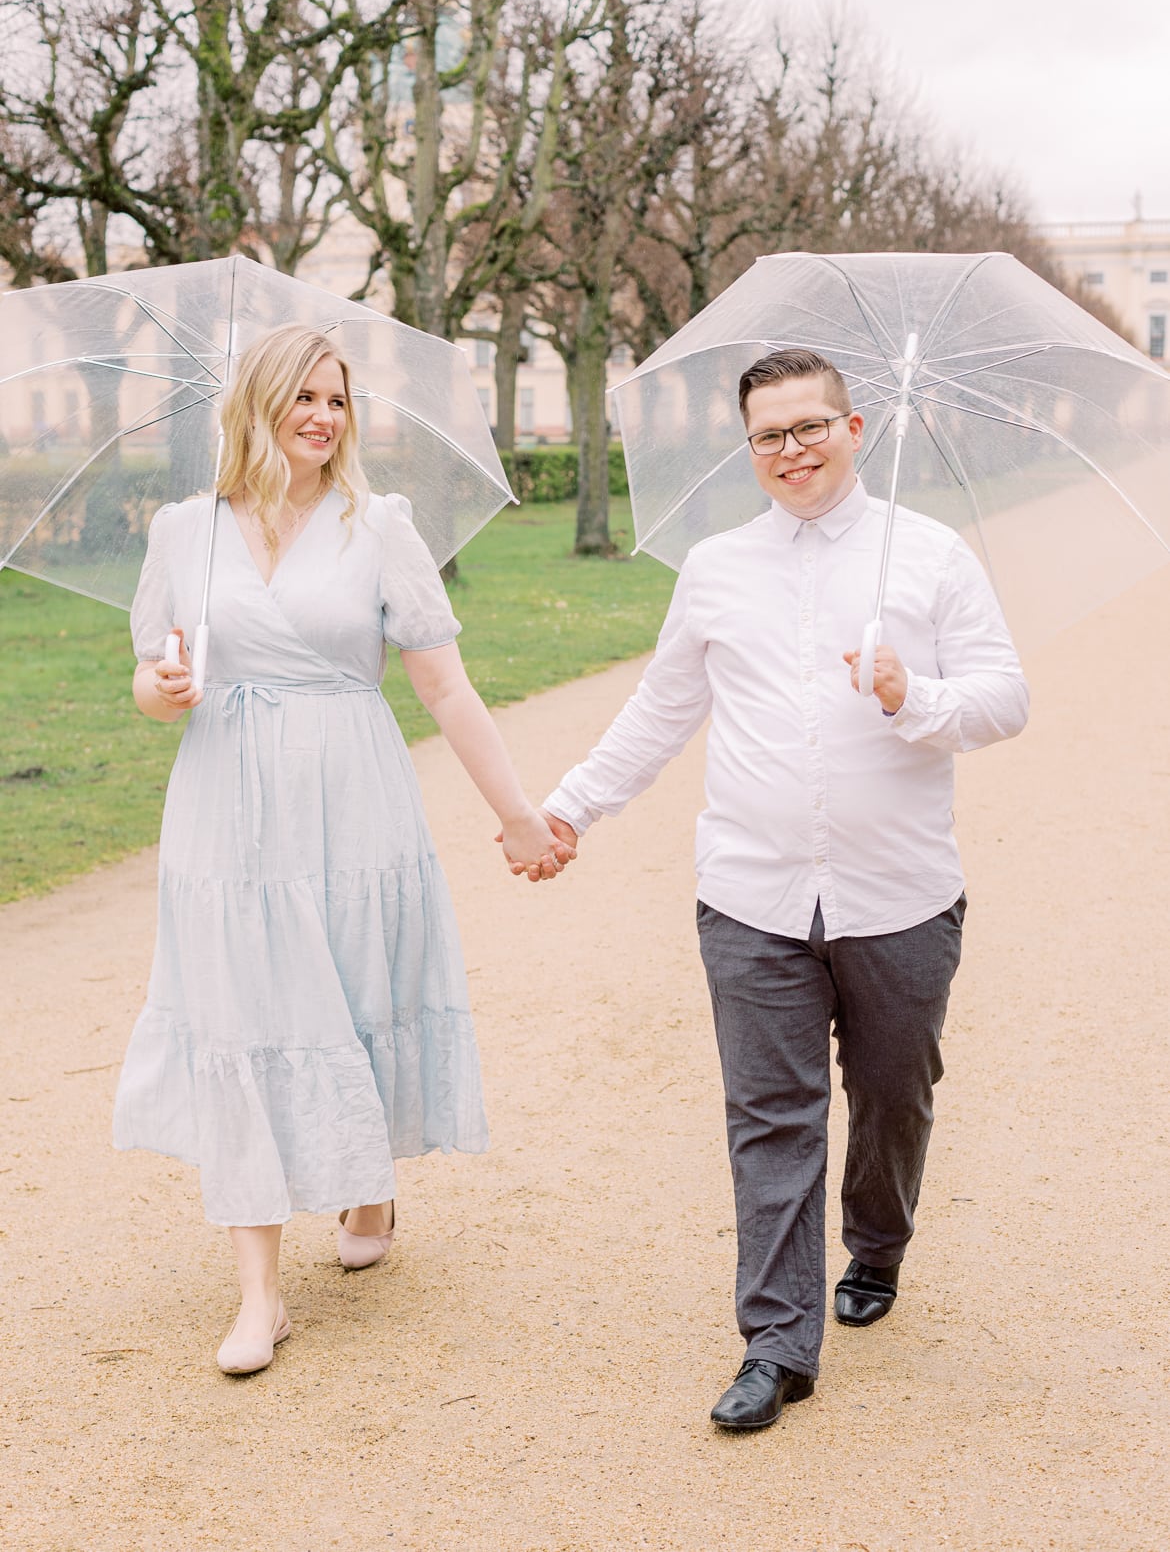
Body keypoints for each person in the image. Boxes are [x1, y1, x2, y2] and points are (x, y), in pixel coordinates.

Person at [525, 347, 1028, 1430]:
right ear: (748, 448)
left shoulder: (929, 556)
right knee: (770, 1117)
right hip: (750, 898)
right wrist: (568, 808)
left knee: (894, 1095)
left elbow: (1006, 698)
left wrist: (914, 693)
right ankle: (777, 1343)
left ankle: (878, 1245)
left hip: (900, 897)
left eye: (809, 428)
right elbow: (662, 710)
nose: (790, 452)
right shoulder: (716, 567)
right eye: (768, 436)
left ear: (853, 429)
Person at [115, 324, 571, 1376]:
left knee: (357, 986)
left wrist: (515, 814)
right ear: (255, 404)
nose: (324, 417)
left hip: (352, 786)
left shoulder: (380, 526)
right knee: (246, 1012)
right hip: (226, 798)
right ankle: (260, 1295)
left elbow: (445, 685)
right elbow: (147, 676)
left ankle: (371, 1185)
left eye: (338, 399)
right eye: (304, 397)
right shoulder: (185, 532)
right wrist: (165, 690)